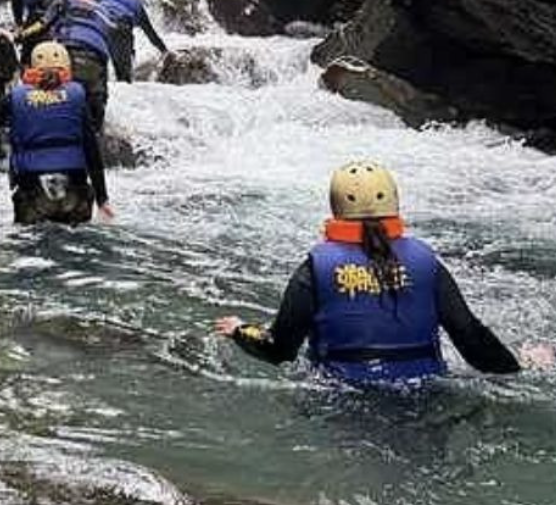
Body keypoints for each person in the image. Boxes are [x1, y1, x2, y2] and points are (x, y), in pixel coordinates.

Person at [213, 161, 528, 384]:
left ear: (335, 207)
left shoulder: (315, 269)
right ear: (394, 203)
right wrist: (518, 368)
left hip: (340, 398)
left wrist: (241, 330)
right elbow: (472, 339)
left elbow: (279, 350)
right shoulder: (426, 262)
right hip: (425, 391)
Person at [0, 42, 113, 225]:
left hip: (31, 190)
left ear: (30, 67)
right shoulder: (78, 95)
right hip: (75, 190)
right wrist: (102, 199)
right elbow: (91, 150)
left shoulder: (16, 97)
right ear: (67, 66)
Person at [25, 0, 114, 131]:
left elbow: (42, 25)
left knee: (60, 98)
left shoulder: (63, 0)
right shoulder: (103, 10)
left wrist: (19, 35)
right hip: (97, 58)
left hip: (67, 53)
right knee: (95, 102)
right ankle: (96, 131)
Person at [96, 0, 168, 81]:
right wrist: (164, 50)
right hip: (121, 26)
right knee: (123, 75)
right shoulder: (136, 2)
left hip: (99, 21)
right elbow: (151, 33)